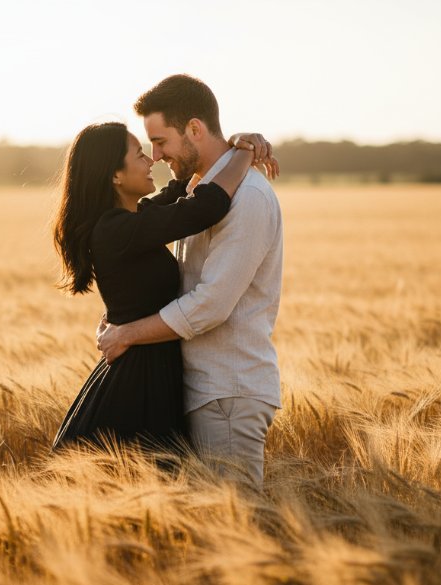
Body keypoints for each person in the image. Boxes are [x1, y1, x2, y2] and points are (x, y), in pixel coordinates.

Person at [97, 75, 284, 487]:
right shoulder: (199, 192)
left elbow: (210, 304)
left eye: (161, 141)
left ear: (194, 129)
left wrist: (127, 333)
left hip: (228, 393)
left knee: (236, 532)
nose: (156, 155)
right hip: (200, 390)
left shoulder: (247, 197)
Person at [50, 120, 275, 454]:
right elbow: (206, 206)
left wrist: (229, 145)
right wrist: (244, 153)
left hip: (152, 370)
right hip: (139, 381)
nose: (151, 160)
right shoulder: (116, 229)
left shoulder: (132, 219)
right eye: (139, 154)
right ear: (115, 175)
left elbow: (184, 186)